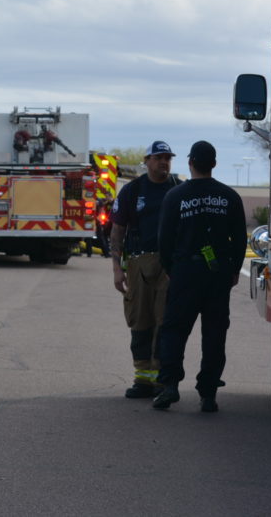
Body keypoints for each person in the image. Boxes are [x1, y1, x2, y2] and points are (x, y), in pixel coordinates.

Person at [152, 141, 246, 413]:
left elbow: (164, 239)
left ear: (190, 162)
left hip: (185, 271)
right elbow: (240, 239)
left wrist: (171, 269)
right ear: (214, 164)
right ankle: (208, 393)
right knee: (215, 334)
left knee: (174, 330)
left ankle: (169, 385)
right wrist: (233, 270)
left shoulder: (175, 197)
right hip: (218, 274)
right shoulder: (229, 197)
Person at [109, 140, 182, 399]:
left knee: (165, 322)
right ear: (146, 161)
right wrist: (117, 269)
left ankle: (162, 380)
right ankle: (142, 379)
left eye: (167, 158)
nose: (164, 162)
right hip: (139, 264)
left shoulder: (178, 189)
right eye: (159, 157)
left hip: (170, 266)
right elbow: (117, 231)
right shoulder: (132, 190)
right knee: (140, 321)